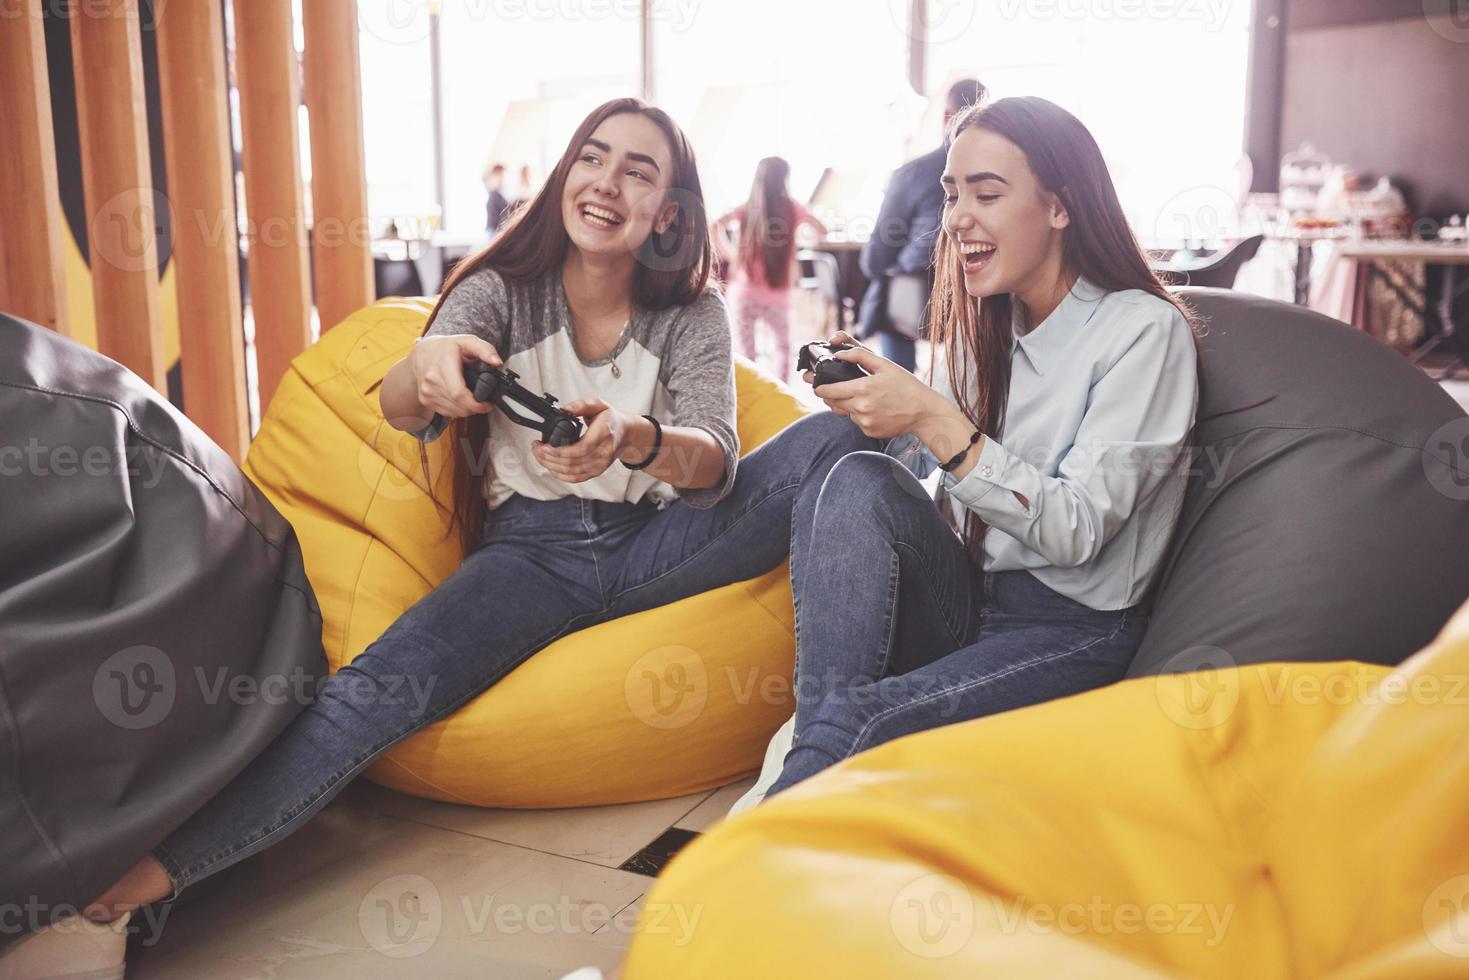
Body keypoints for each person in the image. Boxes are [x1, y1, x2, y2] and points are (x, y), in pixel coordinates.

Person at [78, 97, 875, 937]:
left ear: (668, 211)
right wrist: (423, 369)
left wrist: (631, 440)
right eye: (592, 158)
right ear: (566, 174)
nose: (605, 182)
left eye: (637, 172)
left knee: (839, 437)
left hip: (661, 542)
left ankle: (830, 742)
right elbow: (400, 407)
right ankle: (129, 892)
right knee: (365, 698)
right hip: (530, 556)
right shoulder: (501, 291)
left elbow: (715, 459)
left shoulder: (691, 313)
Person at [759, 96, 1202, 800]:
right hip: (965, 597)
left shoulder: (1143, 334)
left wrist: (933, 421)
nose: (956, 216)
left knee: (856, 721)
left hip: (1067, 630)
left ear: (1059, 207)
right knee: (846, 465)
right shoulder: (991, 326)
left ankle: (777, 840)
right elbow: (930, 481)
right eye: (950, 193)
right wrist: (887, 410)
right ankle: (816, 734)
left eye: (986, 193)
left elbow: (1076, 530)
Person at [857, 78, 986, 370]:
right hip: (977, 303)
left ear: (945, 117)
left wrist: (880, 269)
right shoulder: (1005, 174)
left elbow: (878, 253)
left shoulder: (914, 173)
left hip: (913, 302)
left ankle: (898, 381)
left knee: (888, 300)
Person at [713, 157, 827, 377]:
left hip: (745, 294)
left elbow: (716, 224)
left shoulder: (746, 208)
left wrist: (731, 255)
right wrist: (799, 242)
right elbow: (822, 230)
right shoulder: (794, 209)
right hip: (777, 294)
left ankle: (753, 396)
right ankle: (782, 392)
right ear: (785, 178)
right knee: (783, 349)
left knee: (747, 355)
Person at [483, 161, 512, 233]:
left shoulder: (499, 195)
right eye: (501, 175)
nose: (504, 179)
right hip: (494, 232)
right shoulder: (493, 196)